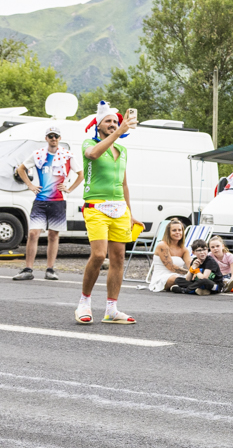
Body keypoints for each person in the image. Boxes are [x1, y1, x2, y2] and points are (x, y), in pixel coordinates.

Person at [76, 102, 143, 325]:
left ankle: (111, 309)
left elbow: (124, 185)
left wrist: (130, 213)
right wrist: (120, 131)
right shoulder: (89, 143)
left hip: (119, 209)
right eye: (108, 121)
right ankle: (84, 303)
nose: (113, 124)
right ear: (99, 125)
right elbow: (94, 154)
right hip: (96, 206)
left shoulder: (122, 151)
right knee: (98, 255)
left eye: (116, 121)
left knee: (118, 258)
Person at [14, 125, 80, 281]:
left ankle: (50, 269)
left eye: (56, 136)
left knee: (53, 235)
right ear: (46, 138)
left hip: (58, 201)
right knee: (33, 233)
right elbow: (21, 169)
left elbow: (81, 174)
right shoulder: (38, 154)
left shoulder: (67, 156)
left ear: (60, 138)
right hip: (41, 200)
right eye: (51, 136)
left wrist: (69, 189)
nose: (53, 139)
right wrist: (30, 185)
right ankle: (28, 269)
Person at [148, 218, 190, 292]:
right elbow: (171, 267)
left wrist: (196, 272)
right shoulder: (162, 245)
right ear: (168, 233)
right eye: (174, 230)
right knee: (175, 279)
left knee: (189, 278)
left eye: (179, 230)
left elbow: (190, 264)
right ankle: (194, 286)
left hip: (179, 276)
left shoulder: (183, 249)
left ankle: (188, 287)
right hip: (162, 277)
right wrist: (189, 273)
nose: (177, 232)